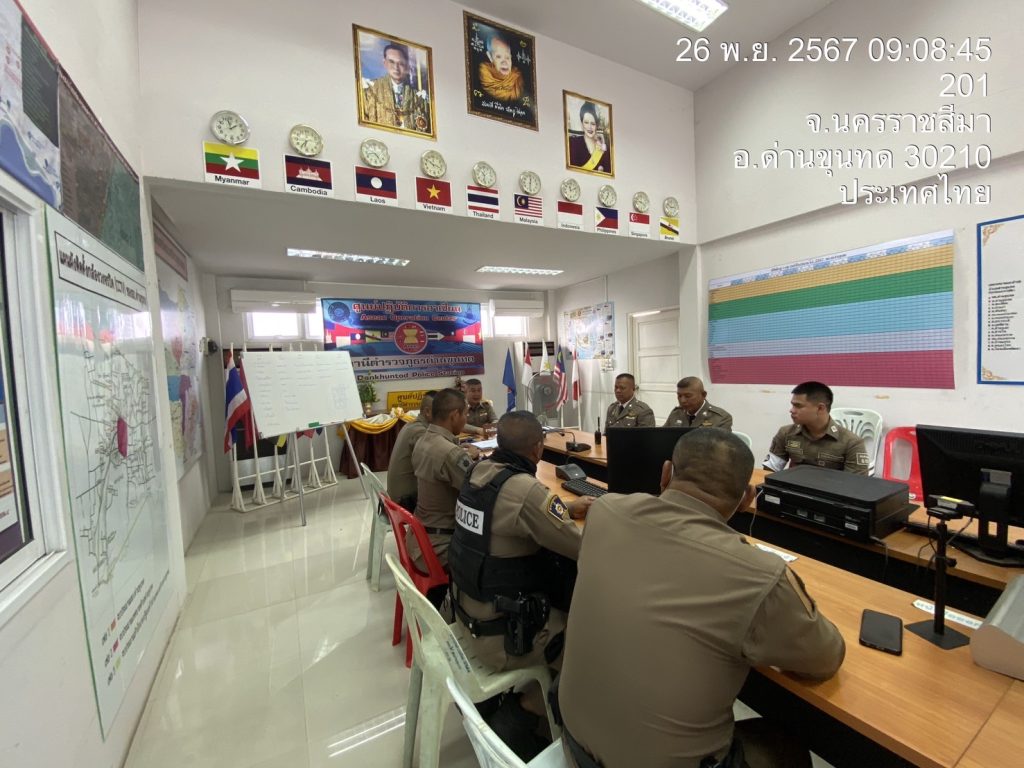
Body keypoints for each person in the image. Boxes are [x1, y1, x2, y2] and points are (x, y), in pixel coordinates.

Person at [558, 429, 846, 768]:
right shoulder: (759, 574)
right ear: (747, 499)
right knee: (785, 744)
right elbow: (824, 659)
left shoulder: (605, 511)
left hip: (573, 745)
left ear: (666, 473)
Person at [449, 410, 593, 758]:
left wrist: (563, 507)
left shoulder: (478, 472)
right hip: (502, 638)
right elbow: (579, 547)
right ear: (538, 448)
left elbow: (511, 515)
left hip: (467, 615)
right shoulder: (526, 490)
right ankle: (522, 713)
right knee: (599, 651)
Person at [410, 388, 479, 568]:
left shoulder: (422, 440)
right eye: (465, 414)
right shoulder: (451, 454)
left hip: (419, 538)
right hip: (439, 547)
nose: (466, 420)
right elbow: (480, 491)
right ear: (454, 416)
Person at [764, 381, 869, 475]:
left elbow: (856, 485)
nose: (792, 410)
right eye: (792, 405)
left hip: (830, 490)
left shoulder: (852, 443)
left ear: (820, 408)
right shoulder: (786, 433)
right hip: (792, 488)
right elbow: (769, 471)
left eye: (798, 406)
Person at [361, 41, 431, 133]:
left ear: (406, 66)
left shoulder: (419, 100)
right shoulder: (369, 93)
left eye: (400, 63)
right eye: (391, 62)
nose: (396, 67)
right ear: (385, 63)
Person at [386, 391, 436, 509]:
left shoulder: (412, 425)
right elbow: (438, 460)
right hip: (405, 503)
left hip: (395, 498)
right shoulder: (420, 431)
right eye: (442, 412)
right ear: (428, 412)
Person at [664, 376, 733, 431]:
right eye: (679, 396)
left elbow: (721, 444)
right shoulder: (676, 414)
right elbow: (663, 437)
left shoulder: (721, 418)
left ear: (703, 395)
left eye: (688, 396)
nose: (682, 400)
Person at [567, 101, 612, 175]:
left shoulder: (604, 150)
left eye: (593, 124)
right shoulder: (573, 143)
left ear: (597, 125)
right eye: (586, 122)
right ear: (581, 124)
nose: (589, 127)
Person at [478, 34, 525, 103]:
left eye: (507, 57)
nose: (504, 62)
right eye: (499, 57)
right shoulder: (485, 76)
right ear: (490, 57)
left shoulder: (517, 79)